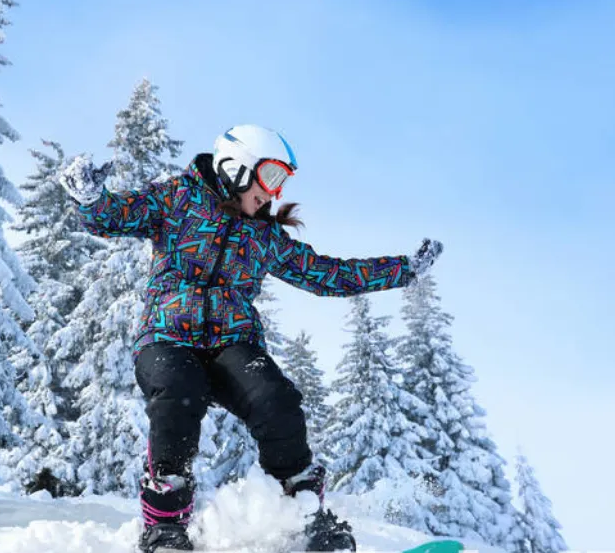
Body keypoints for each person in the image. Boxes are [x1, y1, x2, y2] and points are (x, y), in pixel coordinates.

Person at [59, 124, 443, 553]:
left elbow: (328, 274)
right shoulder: (177, 197)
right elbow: (116, 216)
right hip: (167, 338)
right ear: (237, 168)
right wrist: (91, 198)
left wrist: (402, 270)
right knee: (177, 391)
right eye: (272, 177)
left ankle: (303, 518)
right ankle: (165, 527)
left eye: (281, 183)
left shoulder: (262, 235)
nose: (273, 194)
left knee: (275, 399)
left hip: (231, 343)